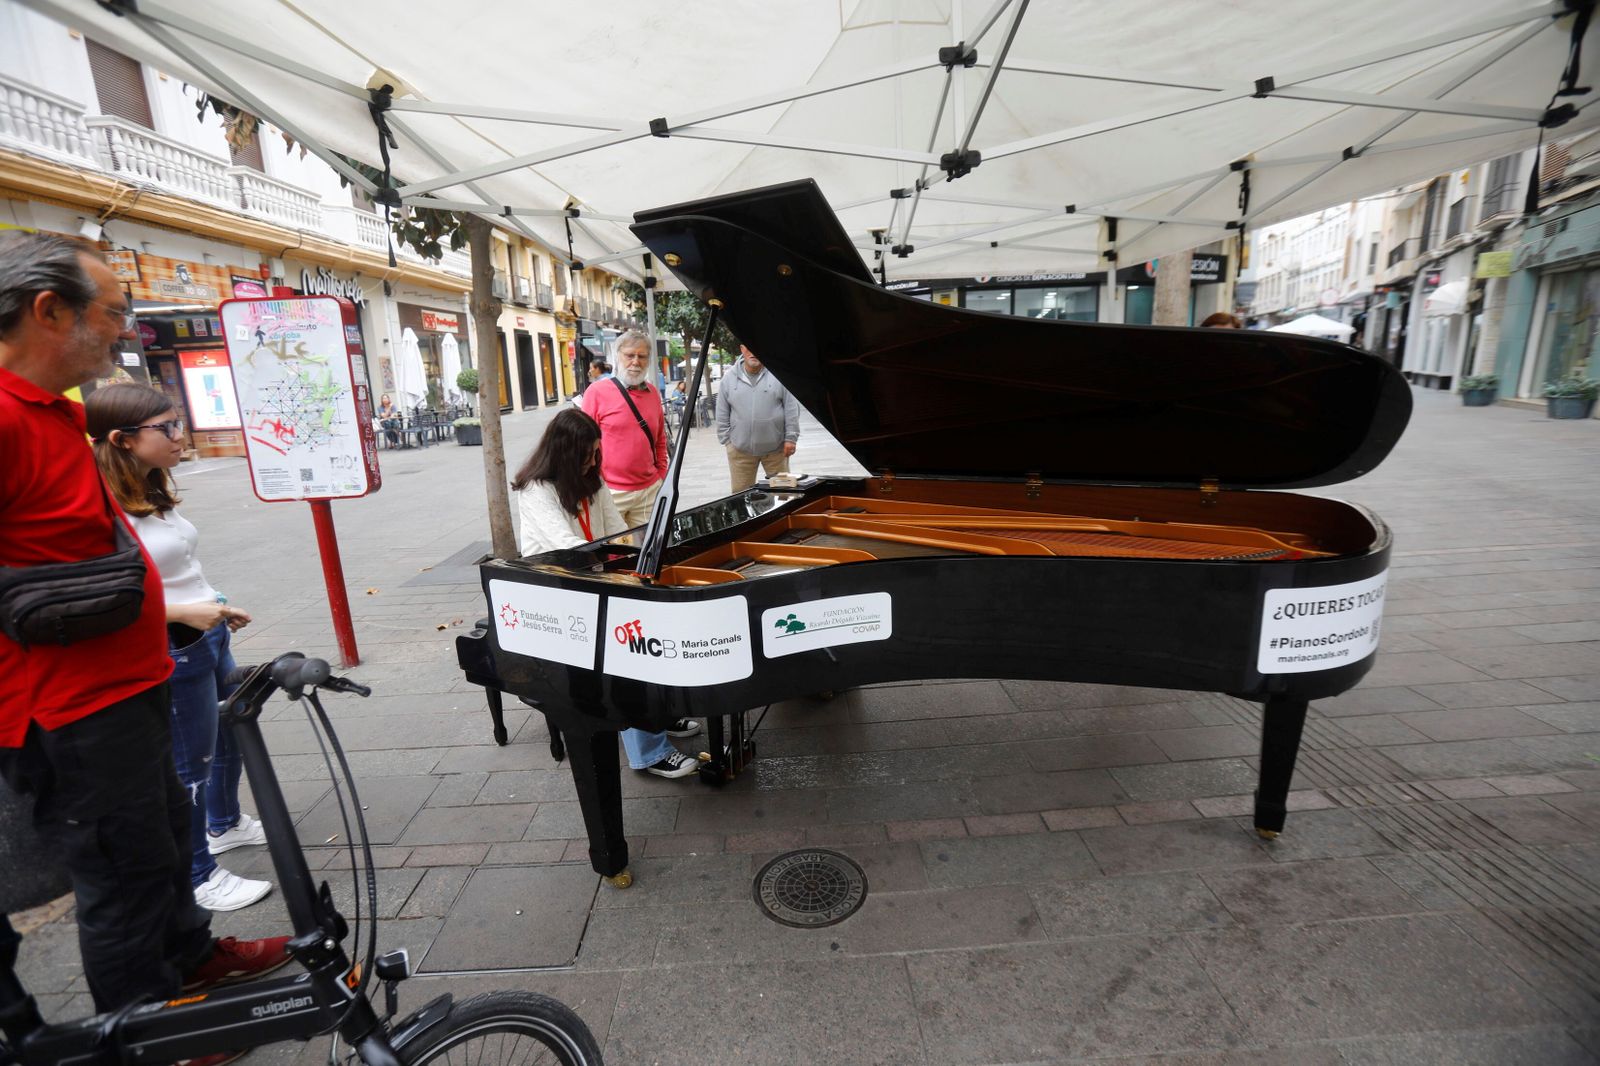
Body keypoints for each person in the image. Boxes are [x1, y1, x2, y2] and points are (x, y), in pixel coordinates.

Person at [0, 232, 288, 1034]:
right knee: (122, 875)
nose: (126, 329)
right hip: (67, 710)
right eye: (114, 312)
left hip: (130, 686)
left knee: (163, 839)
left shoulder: (56, 410)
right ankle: (147, 1028)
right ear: (48, 310)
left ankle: (192, 961)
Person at [87, 383, 271, 913]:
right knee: (191, 761)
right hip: (172, 643)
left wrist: (211, 602)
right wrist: (181, 612)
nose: (179, 434)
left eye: (178, 422)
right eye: (165, 427)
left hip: (205, 631)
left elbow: (178, 566)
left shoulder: (151, 490)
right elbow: (103, 595)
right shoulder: (100, 508)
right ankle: (197, 873)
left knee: (230, 734)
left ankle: (225, 824)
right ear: (122, 440)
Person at [510, 409, 700, 778]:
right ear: (565, 453)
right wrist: (617, 568)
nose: (594, 461)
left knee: (655, 622)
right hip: (554, 593)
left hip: (589, 582)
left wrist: (648, 550)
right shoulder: (536, 490)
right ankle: (649, 750)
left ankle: (657, 714)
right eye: (588, 454)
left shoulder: (591, 484)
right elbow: (568, 546)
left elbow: (616, 532)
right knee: (628, 648)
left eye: (597, 453)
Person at [584, 330, 668, 528]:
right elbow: (583, 444)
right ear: (617, 356)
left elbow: (660, 440)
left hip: (649, 492)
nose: (636, 361)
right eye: (630, 355)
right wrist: (595, 484)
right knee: (615, 553)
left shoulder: (653, 393)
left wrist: (661, 475)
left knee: (649, 549)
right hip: (610, 492)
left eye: (642, 356)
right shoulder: (596, 392)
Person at [716, 344, 800, 492]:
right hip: (740, 452)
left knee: (784, 495)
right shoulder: (728, 379)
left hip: (776, 451)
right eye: (748, 347)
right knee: (740, 499)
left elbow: (791, 408)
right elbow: (721, 413)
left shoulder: (779, 375)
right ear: (742, 349)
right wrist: (728, 442)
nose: (753, 352)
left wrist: (791, 438)